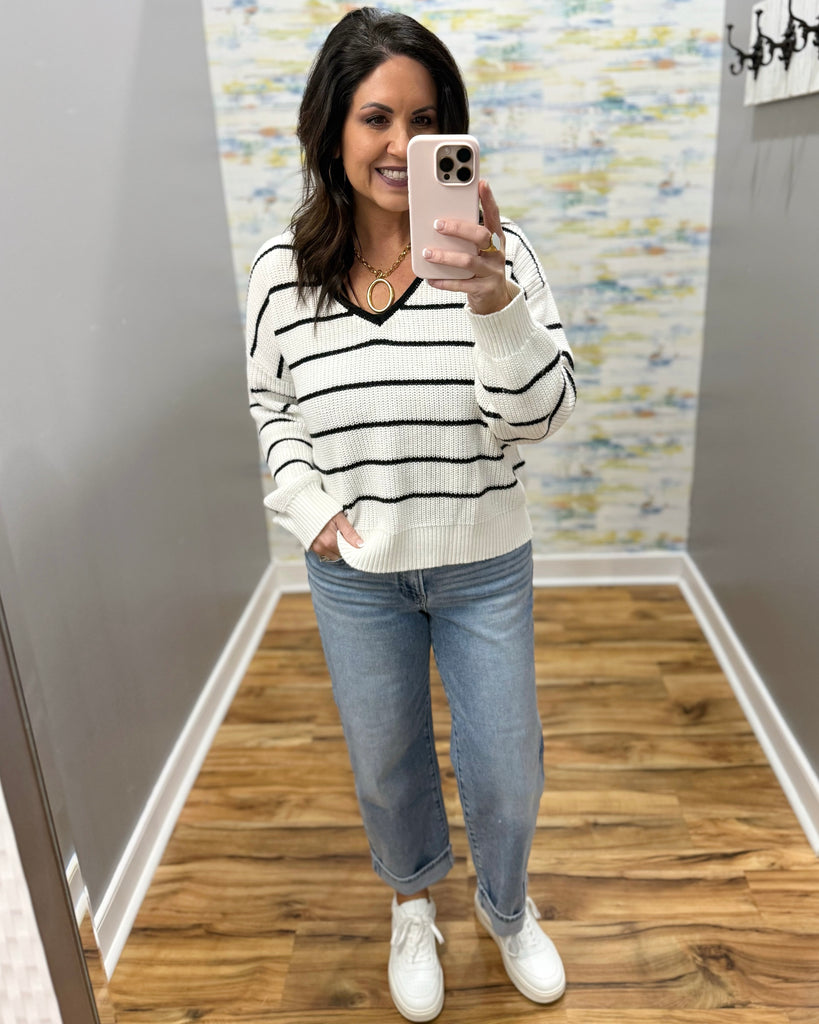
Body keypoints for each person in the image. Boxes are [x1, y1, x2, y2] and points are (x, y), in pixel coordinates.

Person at [245, 8, 576, 1021]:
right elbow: (271, 403)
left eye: (425, 121)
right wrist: (309, 506)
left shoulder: (501, 256)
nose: (400, 144)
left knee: (507, 769)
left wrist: (491, 297)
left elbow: (542, 415)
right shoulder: (282, 272)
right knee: (387, 764)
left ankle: (506, 907)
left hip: (483, 562)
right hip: (357, 573)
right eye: (376, 117)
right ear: (332, 129)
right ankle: (410, 903)